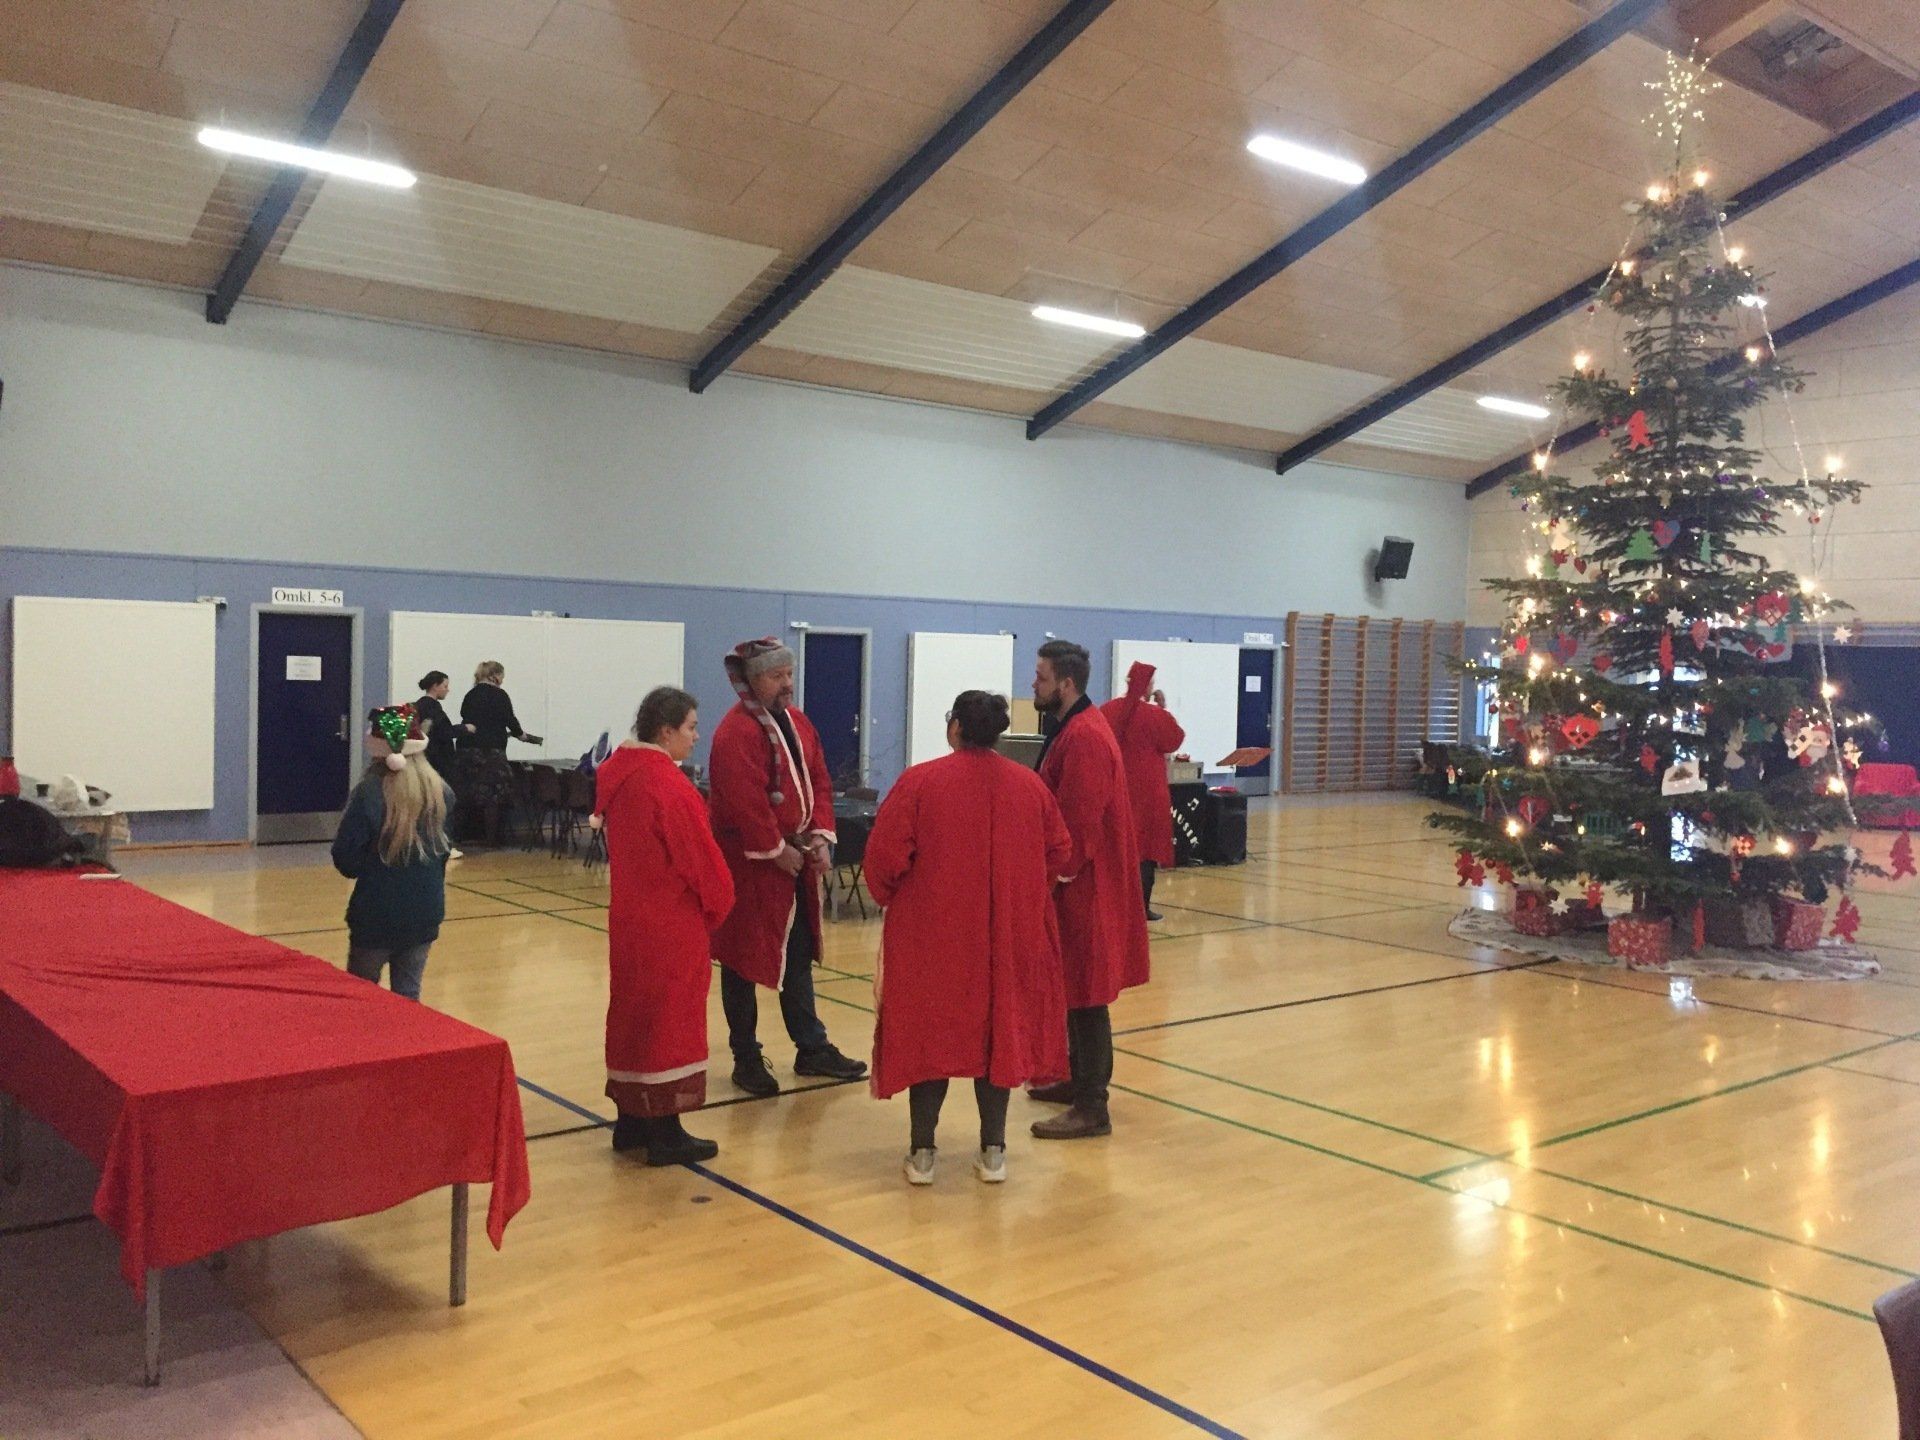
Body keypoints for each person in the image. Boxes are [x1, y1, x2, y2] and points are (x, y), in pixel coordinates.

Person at [865, 691, 1073, 1186]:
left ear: (955, 727)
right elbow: (1059, 851)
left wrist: (894, 896)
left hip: (933, 936)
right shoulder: (1029, 786)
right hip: (1006, 938)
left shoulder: (921, 782)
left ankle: (922, 1154)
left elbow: (883, 860)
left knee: (929, 1038)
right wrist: (1024, 893)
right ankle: (993, 1152)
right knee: (997, 1038)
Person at [708, 638, 867, 1095]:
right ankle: (746, 1057)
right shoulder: (735, 733)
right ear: (754, 679)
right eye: (777, 676)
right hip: (750, 868)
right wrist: (775, 849)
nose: (788, 684)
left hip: (795, 864)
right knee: (741, 962)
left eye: (789, 674)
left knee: (797, 957)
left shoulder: (798, 723)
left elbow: (818, 779)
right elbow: (743, 801)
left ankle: (811, 1047)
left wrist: (820, 835)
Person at [594, 686, 735, 1167]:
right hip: (671, 921)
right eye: (691, 728)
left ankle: (632, 1120)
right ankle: (666, 1132)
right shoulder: (668, 787)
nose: (697, 736)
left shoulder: (619, 775)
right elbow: (701, 862)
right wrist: (721, 904)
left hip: (629, 918)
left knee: (634, 1015)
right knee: (670, 1021)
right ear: (665, 731)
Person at [1027, 640, 1150, 1140]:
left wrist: (1050, 877)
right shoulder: (1073, 729)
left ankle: (1092, 1104)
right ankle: (1078, 1080)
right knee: (1074, 987)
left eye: (1040, 677)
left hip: (1086, 886)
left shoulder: (1085, 738)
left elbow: (1078, 825)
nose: (1033, 684)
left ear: (1066, 683)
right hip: (1078, 883)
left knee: (1087, 994)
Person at [330, 705, 454, 1002]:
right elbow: (444, 852)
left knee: (361, 996)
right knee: (408, 995)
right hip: (425, 911)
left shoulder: (369, 792)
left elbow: (346, 860)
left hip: (377, 913)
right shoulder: (441, 792)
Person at [1100, 661, 1185, 922]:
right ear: (1147, 686)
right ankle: (1141, 907)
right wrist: (1163, 707)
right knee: (1146, 853)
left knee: (1116, 849)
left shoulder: (1108, 710)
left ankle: (1112, 905)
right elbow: (1174, 739)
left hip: (1115, 789)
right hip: (1148, 794)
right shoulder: (1154, 715)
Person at [456, 661, 542, 846]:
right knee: (494, 796)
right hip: (490, 751)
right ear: (494, 676)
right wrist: (522, 735)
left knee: (467, 793)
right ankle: (491, 839)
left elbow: (464, 714)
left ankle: (461, 836)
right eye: (502, 676)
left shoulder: (470, 695)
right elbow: (509, 719)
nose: (503, 680)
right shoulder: (500, 695)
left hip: (466, 750)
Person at [414, 670, 463, 859]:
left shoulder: (418, 706)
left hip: (424, 760)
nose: (447, 690)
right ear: (435, 686)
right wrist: (464, 728)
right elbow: (444, 732)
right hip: (439, 762)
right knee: (443, 803)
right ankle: (443, 845)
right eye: (445, 686)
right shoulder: (433, 708)